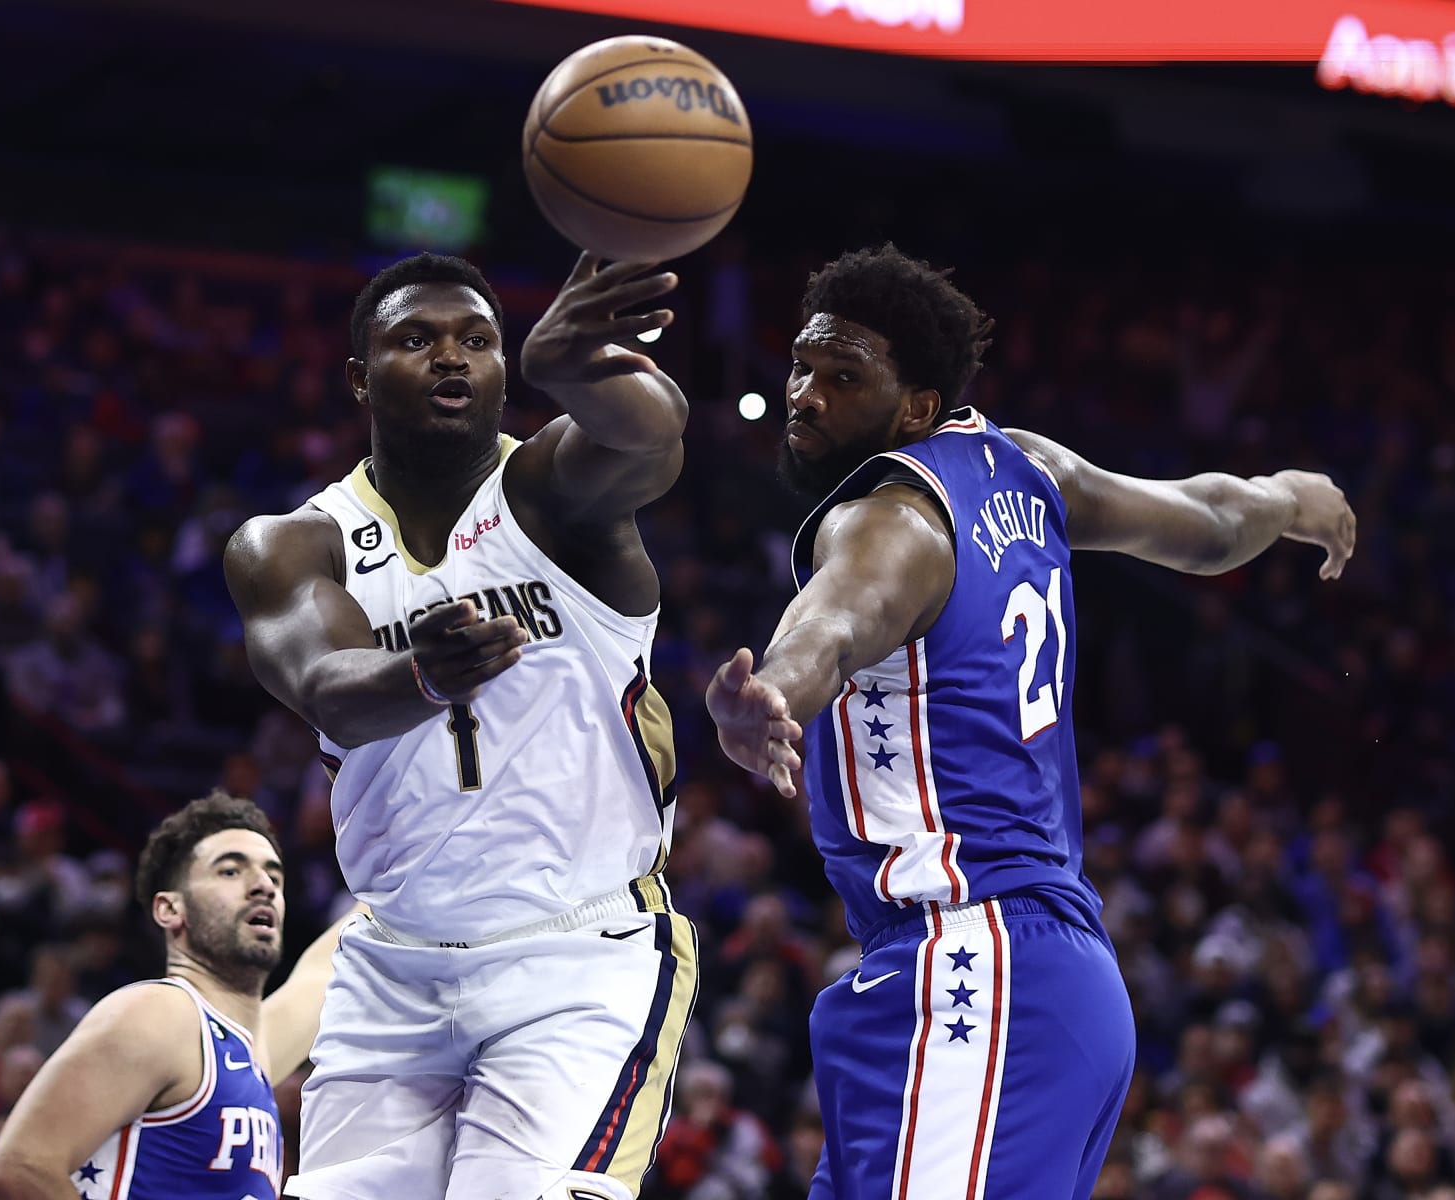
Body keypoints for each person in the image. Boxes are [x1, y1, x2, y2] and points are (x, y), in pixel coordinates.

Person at [703, 244, 1357, 1200]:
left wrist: (773, 695)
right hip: (1034, 976)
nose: (805, 394)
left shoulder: (893, 518)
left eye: (845, 378)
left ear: (918, 407)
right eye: (802, 365)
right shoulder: (1029, 469)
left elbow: (837, 625)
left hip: (974, 966)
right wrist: (1291, 496)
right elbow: (1210, 523)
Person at [223, 251, 697, 1200]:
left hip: (576, 952)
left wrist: (573, 365)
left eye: (478, 341)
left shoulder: (553, 494)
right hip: (393, 962)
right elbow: (327, 688)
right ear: (360, 377)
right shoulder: (290, 542)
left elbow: (654, 437)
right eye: (417, 339)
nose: (453, 358)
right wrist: (424, 675)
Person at [0, 792, 355, 1200]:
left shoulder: (244, 1053)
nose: (263, 885)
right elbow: (20, 1169)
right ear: (170, 910)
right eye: (231, 871)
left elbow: (325, 970)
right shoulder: (160, 1014)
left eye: (274, 876)